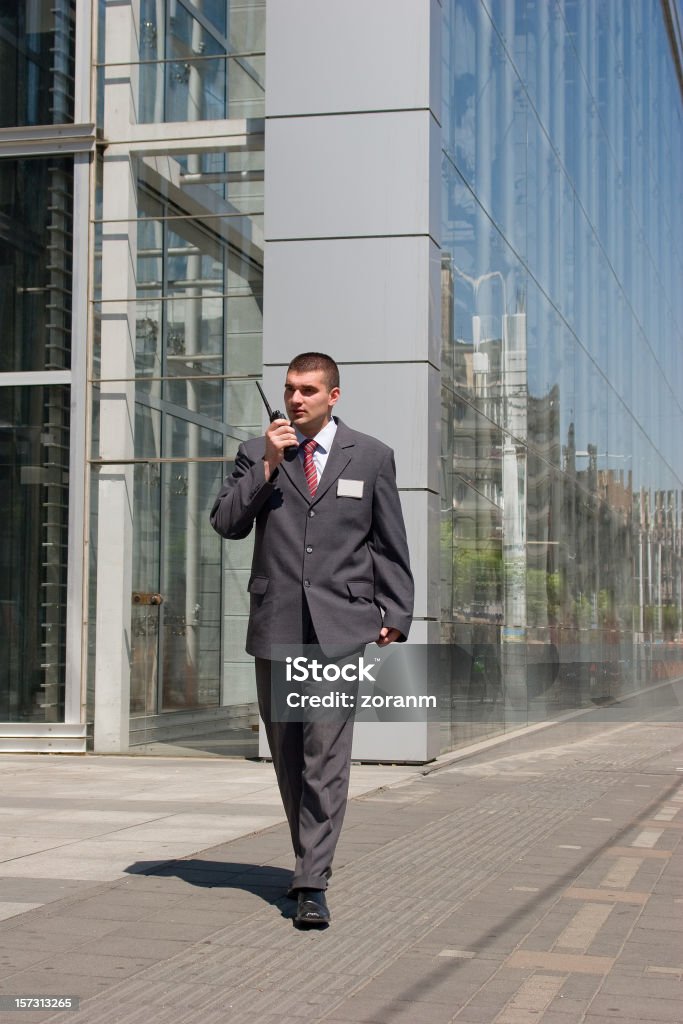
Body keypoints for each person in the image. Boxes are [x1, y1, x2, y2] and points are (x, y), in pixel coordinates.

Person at [210, 352, 413, 926]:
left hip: (340, 627)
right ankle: (309, 861)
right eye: (290, 389)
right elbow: (225, 523)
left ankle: (310, 880)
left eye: (308, 390)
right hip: (277, 623)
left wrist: (395, 611)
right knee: (290, 758)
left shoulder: (371, 456)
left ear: (334, 395)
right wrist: (269, 465)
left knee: (326, 757)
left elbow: (387, 542)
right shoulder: (258, 452)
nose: (296, 399)